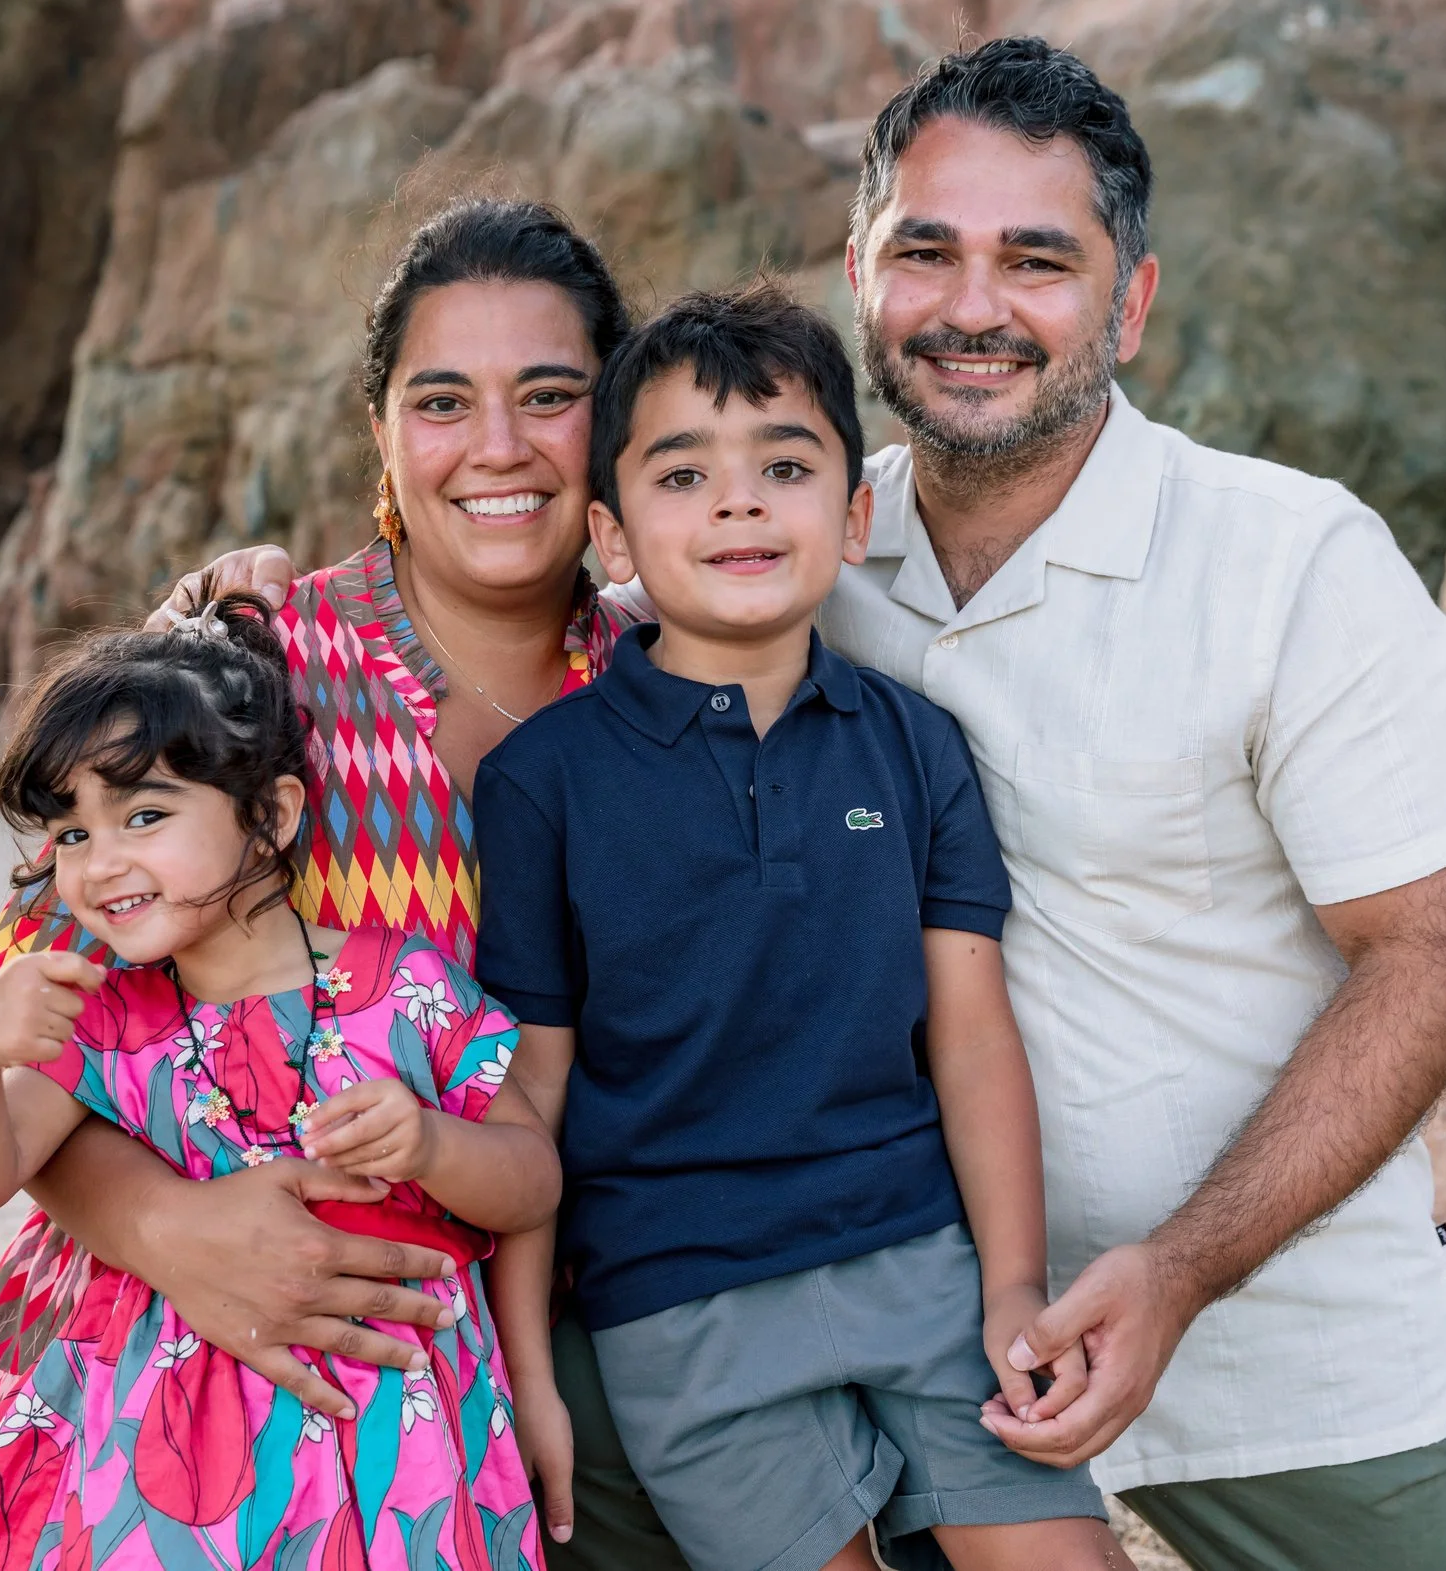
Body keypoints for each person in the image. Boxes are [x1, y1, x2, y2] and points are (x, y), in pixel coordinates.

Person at [175, 35, 1446, 1571]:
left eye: (1038, 260)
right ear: (861, 272)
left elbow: (1442, 951)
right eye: (927, 251)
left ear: (1133, 301)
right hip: (818, 1298)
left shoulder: (1289, 562)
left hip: (1254, 1323)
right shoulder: (776, 543)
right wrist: (241, 616)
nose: (973, 305)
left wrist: (1180, 1267)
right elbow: (544, 571)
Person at [0, 198, 663, 1530]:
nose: (498, 445)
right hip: (210, 1357)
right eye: (441, 401)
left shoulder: (673, 685)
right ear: (380, 430)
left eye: (550, 395)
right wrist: (171, 1232)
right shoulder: (246, 677)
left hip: (569, 1321)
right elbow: (49, 1030)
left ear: (614, 422)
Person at [473, 283, 1137, 1571]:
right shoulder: (545, 781)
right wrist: (526, 1375)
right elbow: (530, 1094)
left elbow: (971, 1038)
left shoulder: (915, 745)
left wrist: (1010, 1281)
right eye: (683, 475)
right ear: (611, 534)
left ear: (855, 513)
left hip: (923, 1263)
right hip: (681, 1303)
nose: (739, 503)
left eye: (784, 466)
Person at [0, 588, 560, 1569]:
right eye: (73, 832)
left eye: (143, 814)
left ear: (271, 815)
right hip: (163, 1458)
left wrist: (435, 1143)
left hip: (399, 1442)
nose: (100, 862)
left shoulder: (406, 986)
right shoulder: (105, 1013)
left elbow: (532, 1180)